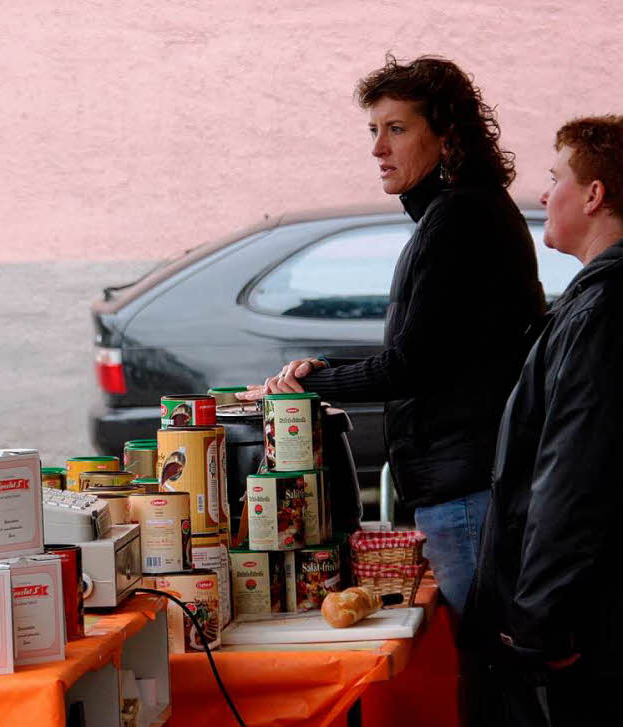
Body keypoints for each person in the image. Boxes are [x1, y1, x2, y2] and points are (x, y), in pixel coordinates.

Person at [243, 55, 545, 618]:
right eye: (374, 131)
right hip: (466, 483)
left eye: (397, 130)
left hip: (467, 486)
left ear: (448, 137)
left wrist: (311, 385)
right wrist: (324, 369)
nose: (378, 148)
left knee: (492, 665)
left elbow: (414, 365)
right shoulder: (459, 212)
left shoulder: (458, 220)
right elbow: (432, 349)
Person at [465, 116, 623, 726]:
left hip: (593, 624)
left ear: (593, 194)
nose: (542, 193)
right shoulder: (594, 300)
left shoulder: (604, 309)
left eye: (556, 177)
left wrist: (540, 621)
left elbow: (575, 475)